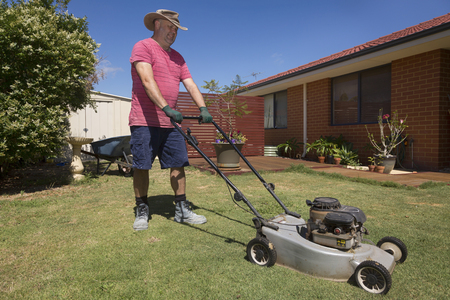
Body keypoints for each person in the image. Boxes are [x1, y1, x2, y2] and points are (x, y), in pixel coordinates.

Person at [129, 9, 213, 231]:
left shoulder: (178, 57)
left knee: (178, 163)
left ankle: (182, 210)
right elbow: (147, 80)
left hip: (171, 123)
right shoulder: (143, 47)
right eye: (170, 27)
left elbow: (190, 84)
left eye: (176, 29)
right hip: (144, 120)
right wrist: (166, 107)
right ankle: (142, 209)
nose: (173, 32)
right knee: (142, 166)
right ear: (157, 24)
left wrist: (203, 107)